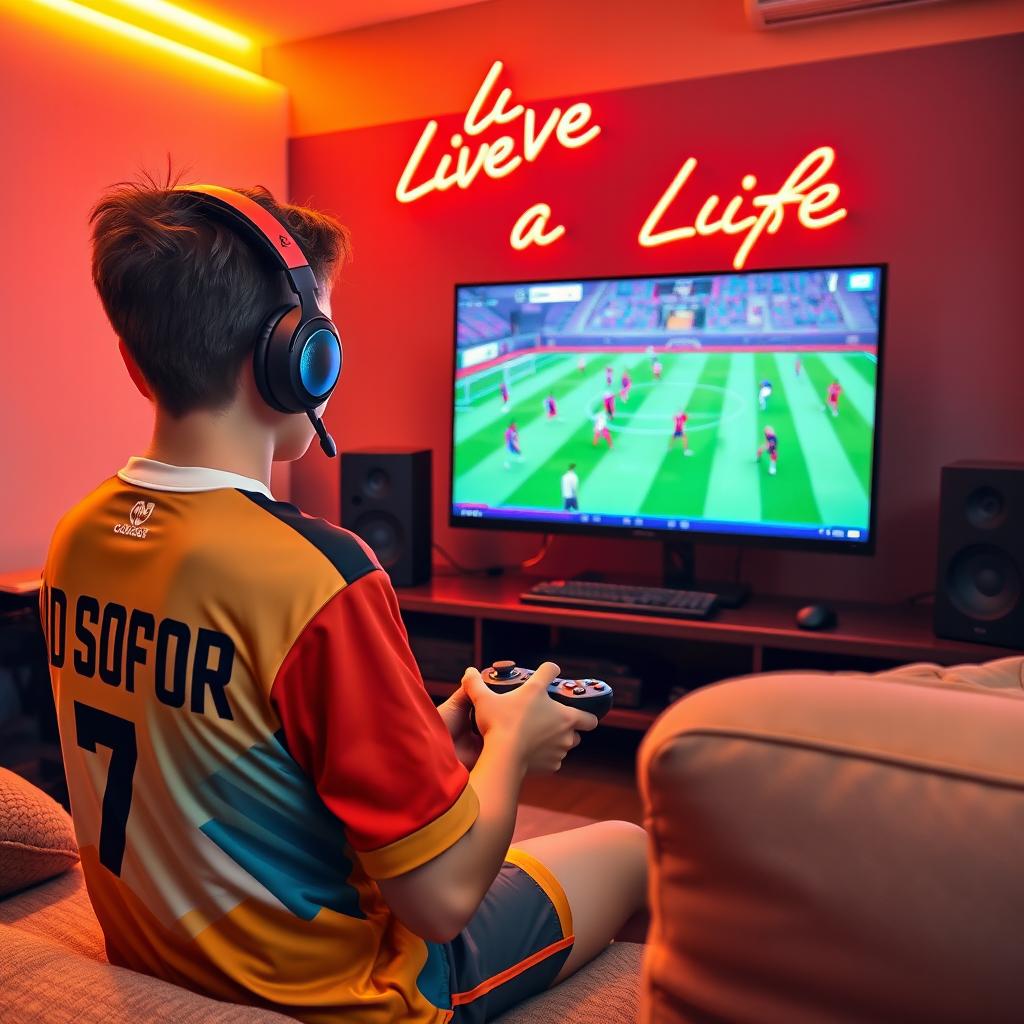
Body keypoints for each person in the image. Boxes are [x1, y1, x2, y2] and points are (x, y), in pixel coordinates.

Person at [39, 177, 646, 1024]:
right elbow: (437, 903)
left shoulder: (78, 539)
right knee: (632, 844)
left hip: (159, 951)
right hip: (344, 992)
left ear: (133, 363)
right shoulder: (320, 572)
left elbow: (243, 756)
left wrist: (427, 729)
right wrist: (513, 746)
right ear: (297, 357)